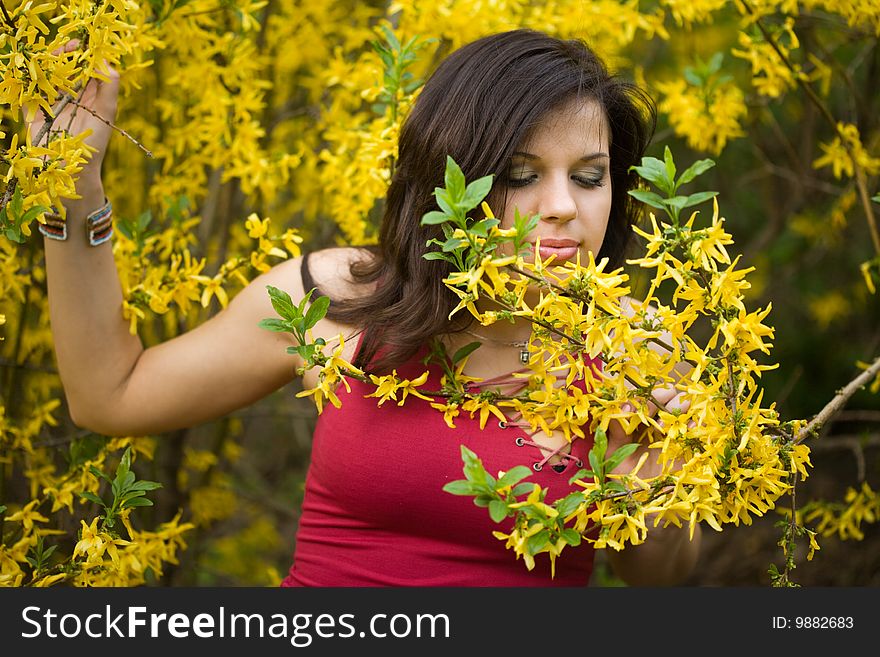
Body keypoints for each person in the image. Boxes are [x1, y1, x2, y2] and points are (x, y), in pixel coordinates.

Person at [31, 28, 701, 586]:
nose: (563, 205)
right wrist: (74, 191)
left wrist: (636, 463)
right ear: (449, 179)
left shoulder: (635, 353)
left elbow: (660, 574)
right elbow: (108, 395)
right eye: (522, 174)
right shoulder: (339, 300)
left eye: (589, 175)